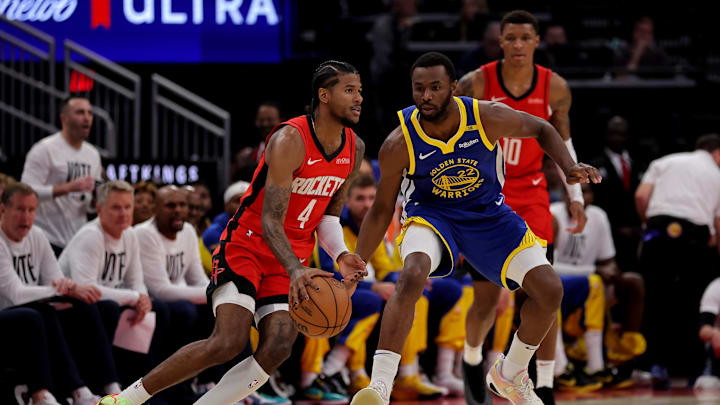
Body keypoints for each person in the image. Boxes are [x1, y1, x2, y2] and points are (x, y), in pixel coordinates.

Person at [100, 60, 368, 405]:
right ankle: (123, 401)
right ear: (324, 95)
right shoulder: (290, 138)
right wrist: (296, 269)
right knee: (227, 341)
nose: (359, 98)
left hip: (291, 260)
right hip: (247, 247)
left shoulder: (354, 148)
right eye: (350, 90)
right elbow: (271, 221)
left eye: (360, 91)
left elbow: (328, 217)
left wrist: (342, 255)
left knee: (278, 346)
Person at [349, 52, 600, 405]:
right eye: (419, 89)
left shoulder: (485, 116)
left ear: (453, 87)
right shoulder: (399, 142)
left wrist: (569, 167)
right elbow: (380, 210)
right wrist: (358, 260)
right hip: (431, 214)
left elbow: (543, 128)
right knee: (413, 272)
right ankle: (380, 386)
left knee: (549, 289)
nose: (426, 96)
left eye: (435, 88)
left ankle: (510, 373)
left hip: (487, 214)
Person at [455, 9, 589, 404]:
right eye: (509, 38)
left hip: (531, 194)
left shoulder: (556, 87)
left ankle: (543, 383)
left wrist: (575, 197)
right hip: (486, 195)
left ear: (536, 41)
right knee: (486, 299)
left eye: (524, 38)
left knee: (542, 292)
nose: (517, 45)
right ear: (500, 41)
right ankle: (472, 359)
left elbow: (564, 146)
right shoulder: (475, 82)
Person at [0, 182, 119, 405]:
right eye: (19, 209)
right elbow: (15, 295)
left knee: (90, 305)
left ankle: (105, 385)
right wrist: (65, 288)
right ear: (3, 210)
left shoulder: (37, 234)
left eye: (31, 210)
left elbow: (56, 279)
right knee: (36, 314)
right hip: (7, 313)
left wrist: (69, 289)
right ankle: (43, 394)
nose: (26, 217)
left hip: (32, 308)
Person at [635, 134, 720, 389]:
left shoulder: (665, 161)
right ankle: (694, 370)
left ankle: (652, 366)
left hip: (658, 232)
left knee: (655, 299)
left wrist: (647, 223)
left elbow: (641, 196)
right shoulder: (716, 174)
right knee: (692, 302)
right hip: (695, 237)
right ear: (716, 152)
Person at [21, 95, 102, 256]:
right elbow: (25, 192)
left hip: (78, 239)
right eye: (80, 112)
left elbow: (88, 204)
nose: (86, 118)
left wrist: (94, 201)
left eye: (89, 113)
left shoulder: (93, 154)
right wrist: (67, 188)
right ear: (64, 118)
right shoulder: (45, 149)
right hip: (47, 238)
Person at [590, 116, 644, 270]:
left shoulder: (640, 163)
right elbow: (596, 201)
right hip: (610, 232)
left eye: (622, 134)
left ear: (628, 136)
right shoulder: (594, 165)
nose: (618, 138)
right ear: (607, 135)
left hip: (636, 233)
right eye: (614, 133)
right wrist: (616, 228)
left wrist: (637, 226)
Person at [233, 102, 284, 182]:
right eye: (261, 120)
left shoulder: (293, 151)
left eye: (270, 120)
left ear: (281, 120)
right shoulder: (248, 157)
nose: (265, 124)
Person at [202, 181, 250, 254]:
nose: (243, 205)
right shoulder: (213, 232)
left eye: (247, 201)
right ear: (226, 205)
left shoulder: (261, 226)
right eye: (238, 201)